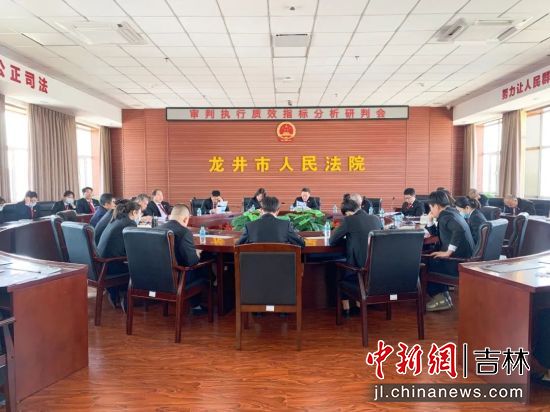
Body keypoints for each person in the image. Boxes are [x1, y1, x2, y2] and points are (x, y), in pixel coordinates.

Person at [330, 194, 383, 316]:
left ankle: (346, 309)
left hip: (359, 271)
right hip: (377, 270)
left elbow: (332, 241)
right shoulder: (376, 218)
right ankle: (359, 306)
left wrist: (347, 240)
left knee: (340, 269)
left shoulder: (349, 220)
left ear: (348, 212)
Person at [425, 190, 474, 311]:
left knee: (427, 262)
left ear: (437, 206)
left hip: (458, 262)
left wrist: (448, 252)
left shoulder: (446, 216)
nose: (430, 210)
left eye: (431, 207)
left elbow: (459, 229)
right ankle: (444, 296)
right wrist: (430, 220)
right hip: (464, 258)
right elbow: (436, 234)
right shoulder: (451, 213)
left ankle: (440, 298)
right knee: (433, 256)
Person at [161, 204, 208, 314]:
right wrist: (197, 254)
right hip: (178, 279)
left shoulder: (157, 229)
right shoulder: (184, 232)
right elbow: (191, 262)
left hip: (158, 277)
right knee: (204, 268)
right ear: (186, 219)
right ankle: (196, 306)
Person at [97, 201, 142, 309]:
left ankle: (115, 294)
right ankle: (127, 297)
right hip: (111, 265)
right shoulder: (130, 223)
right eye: (140, 213)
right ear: (134, 212)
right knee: (142, 266)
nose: (140, 216)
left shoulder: (116, 219)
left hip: (101, 264)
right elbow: (133, 248)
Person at [237, 196, 304, 246]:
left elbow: (238, 245)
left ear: (261, 210)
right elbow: (301, 243)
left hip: (255, 261)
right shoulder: (285, 225)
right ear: (278, 211)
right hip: (280, 261)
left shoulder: (249, 226)